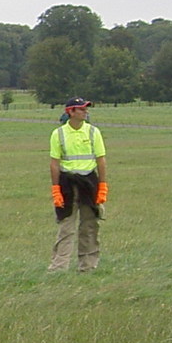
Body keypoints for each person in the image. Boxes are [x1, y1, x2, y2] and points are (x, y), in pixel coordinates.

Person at [48, 97, 108, 273]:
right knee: (66, 226)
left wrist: (102, 185)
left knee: (89, 226)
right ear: (71, 112)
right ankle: (58, 268)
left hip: (89, 182)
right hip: (67, 183)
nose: (85, 112)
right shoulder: (58, 134)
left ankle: (88, 266)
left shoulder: (93, 132)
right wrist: (56, 189)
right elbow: (54, 163)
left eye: (85, 109)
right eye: (81, 109)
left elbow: (101, 159)